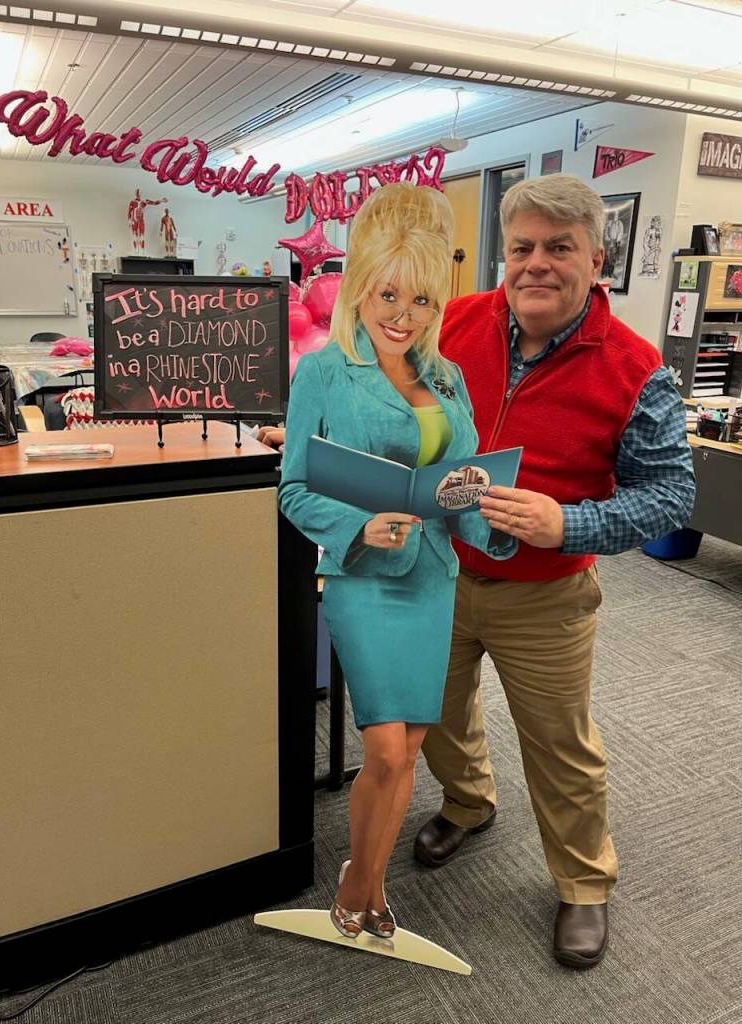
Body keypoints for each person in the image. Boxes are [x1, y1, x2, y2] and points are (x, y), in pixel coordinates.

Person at [412, 174, 695, 969]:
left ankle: (583, 881)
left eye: (559, 248)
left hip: (545, 594)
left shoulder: (635, 368)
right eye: (523, 248)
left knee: (559, 745)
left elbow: (671, 494)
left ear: (596, 260)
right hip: (441, 569)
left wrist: (567, 522)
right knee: (436, 712)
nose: (537, 264)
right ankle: (468, 802)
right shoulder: (453, 323)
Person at [278, 182, 507, 940]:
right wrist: (358, 526)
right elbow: (293, 488)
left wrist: (494, 517)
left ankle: (369, 886)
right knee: (381, 746)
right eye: (388, 295)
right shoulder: (324, 372)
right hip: (364, 578)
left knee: (408, 748)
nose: (403, 316)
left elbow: (459, 483)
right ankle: (358, 879)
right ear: (360, 287)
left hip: (434, 574)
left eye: (422, 302)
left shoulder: (446, 377)